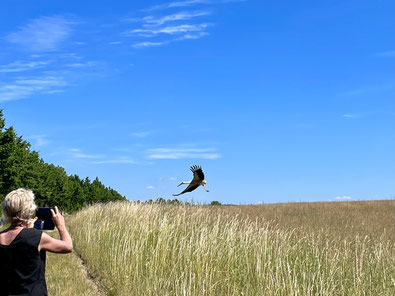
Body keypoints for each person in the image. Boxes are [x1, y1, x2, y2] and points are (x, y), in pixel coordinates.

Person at [0, 188, 73, 296]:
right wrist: (60, 225)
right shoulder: (35, 237)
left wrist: (28, 230)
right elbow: (68, 246)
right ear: (28, 210)